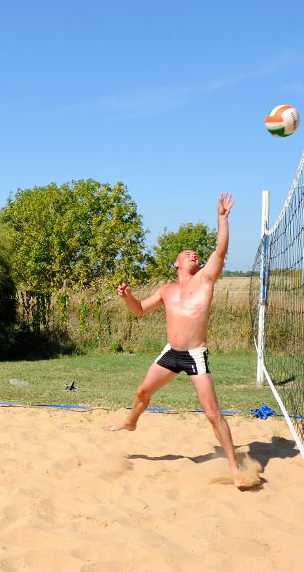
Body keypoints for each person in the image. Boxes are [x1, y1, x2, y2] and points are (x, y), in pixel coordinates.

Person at [105, 193, 251, 490]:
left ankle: (235, 467)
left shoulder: (206, 279)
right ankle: (131, 421)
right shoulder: (168, 289)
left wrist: (222, 220)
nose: (193, 254)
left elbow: (220, 252)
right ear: (176, 262)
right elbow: (139, 311)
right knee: (143, 391)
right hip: (171, 353)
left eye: (196, 253)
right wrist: (128, 297)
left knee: (212, 413)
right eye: (187, 253)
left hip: (195, 355)